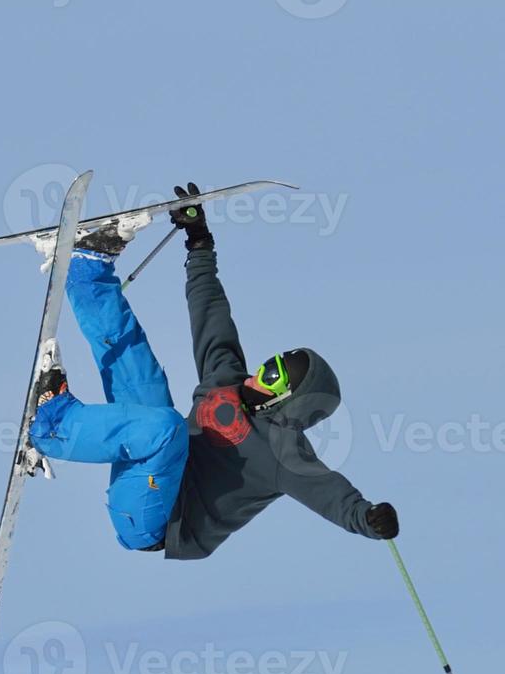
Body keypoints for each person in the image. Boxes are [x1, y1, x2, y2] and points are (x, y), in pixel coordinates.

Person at [29, 183, 399, 559]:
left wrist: (368, 519)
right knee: (144, 376)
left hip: (153, 519)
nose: (261, 372)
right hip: (152, 465)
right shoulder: (227, 380)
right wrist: (199, 243)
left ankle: (50, 427)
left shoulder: (283, 450)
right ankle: (86, 271)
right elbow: (211, 314)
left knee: (165, 426)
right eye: (270, 363)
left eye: (275, 376)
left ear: (290, 399)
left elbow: (330, 492)